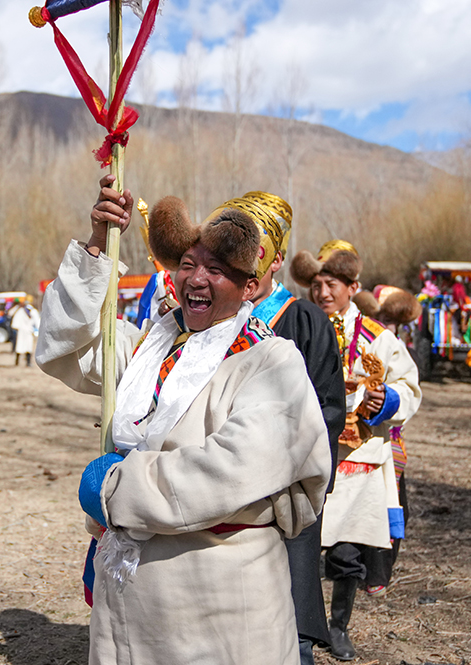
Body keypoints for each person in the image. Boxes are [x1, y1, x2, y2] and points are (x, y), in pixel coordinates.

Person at [37, 175, 332, 665]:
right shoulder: (149, 346)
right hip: (131, 595)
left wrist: (117, 488)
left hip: (219, 602)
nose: (196, 278)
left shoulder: (271, 361)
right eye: (188, 265)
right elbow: (64, 346)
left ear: (250, 285)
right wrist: (97, 245)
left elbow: (230, 468)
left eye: (216, 269)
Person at [290, 240, 422, 661]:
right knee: (301, 544)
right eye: (317, 285)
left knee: (348, 549)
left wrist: (385, 400)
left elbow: (408, 387)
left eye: (332, 285)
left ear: (352, 287)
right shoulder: (298, 326)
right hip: (307, 453)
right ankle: (300, 629)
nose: (323, 293)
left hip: (359, 458)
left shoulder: (379, 339)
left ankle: (339, 627)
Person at [238, 192, 346, 665]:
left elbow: (328, 409)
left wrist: (273, 457)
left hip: (284, 490)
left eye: (254, 254)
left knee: (288, 622)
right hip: (223, 493)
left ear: (276, 260)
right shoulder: (213, 317)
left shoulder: (305, 320)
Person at [10, 299, 40, 366]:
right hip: (27, 331)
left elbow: (15, 323)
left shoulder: (21, 310)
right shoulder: (33, 311)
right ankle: (27, 362)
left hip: (23, 331)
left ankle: (18, 362)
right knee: (27, 347)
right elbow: (37, 322)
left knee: (20, 346)